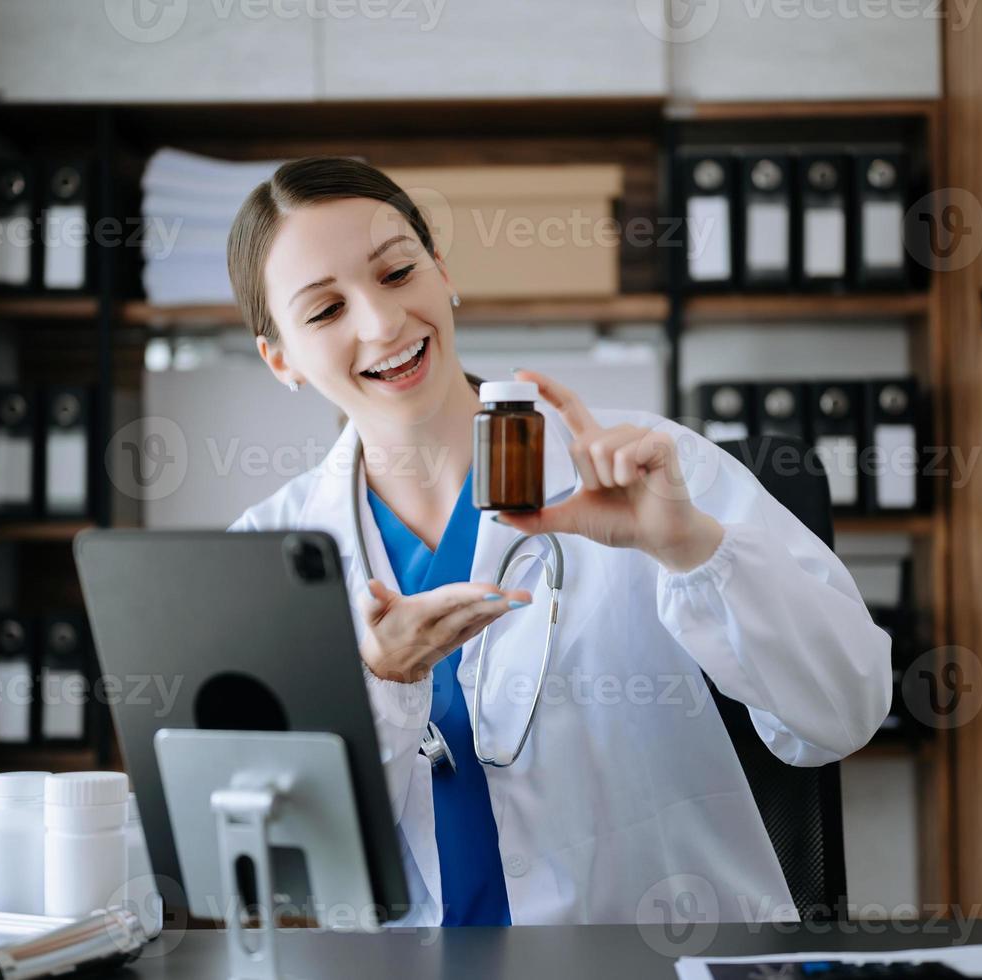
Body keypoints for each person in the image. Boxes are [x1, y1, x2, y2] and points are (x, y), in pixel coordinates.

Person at [225, 156, 891, 928]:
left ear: (443, 275)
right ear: (280, 360)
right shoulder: (265, 554)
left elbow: (848, 709)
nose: (381, 322)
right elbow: (273, 870)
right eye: (323, 311)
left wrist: (694, 549)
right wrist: (381, 684)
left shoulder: (651, 469)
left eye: (398, 272)